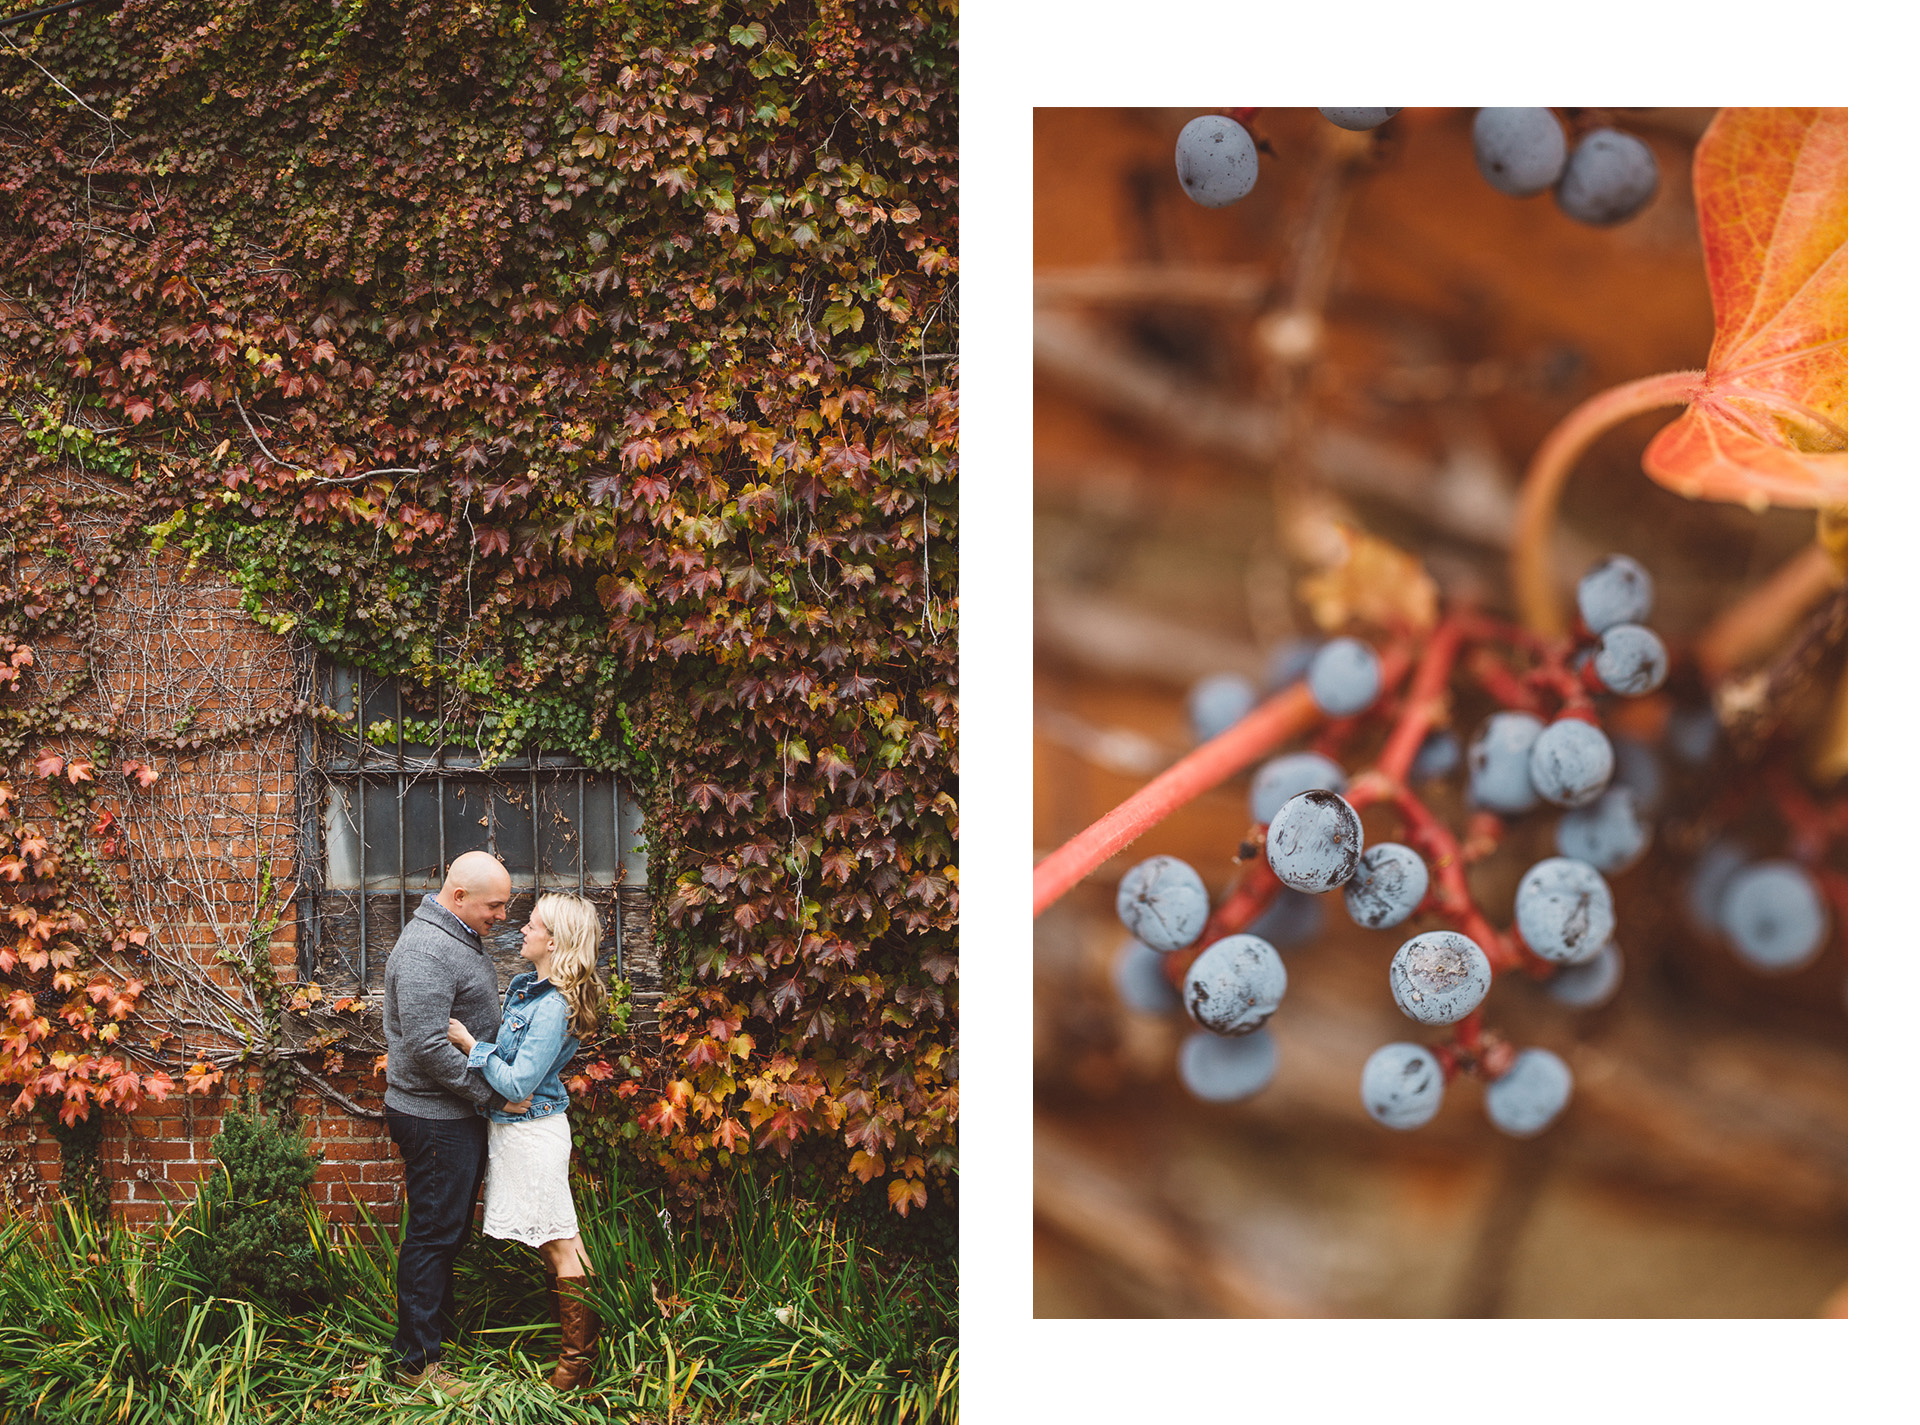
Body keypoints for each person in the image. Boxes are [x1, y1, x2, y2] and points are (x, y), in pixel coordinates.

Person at [449, 891, 607, 1390]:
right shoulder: (529, 990)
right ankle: (574, 1354)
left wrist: (472, 1046)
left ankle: (576, 1365)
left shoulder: (553, 1006)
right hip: (517, 1132)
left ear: (554, 941)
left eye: (533, 925)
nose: (522, 929)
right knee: (548, 1239)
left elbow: (518, 1083)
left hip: (535, 1133)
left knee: (561, 1238)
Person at [381, 849, 522, 1397]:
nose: (504, 916)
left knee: (446, 1232)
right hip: (433, 1118)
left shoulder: (454, 936)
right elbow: (426, 1044)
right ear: (458, 897)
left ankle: (434, 1339)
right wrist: (487, 1092)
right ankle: (417, 1367)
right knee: (434, 1235)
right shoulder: (425, 949)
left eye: (507, 906)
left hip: (452, 1115)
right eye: (495, 906)